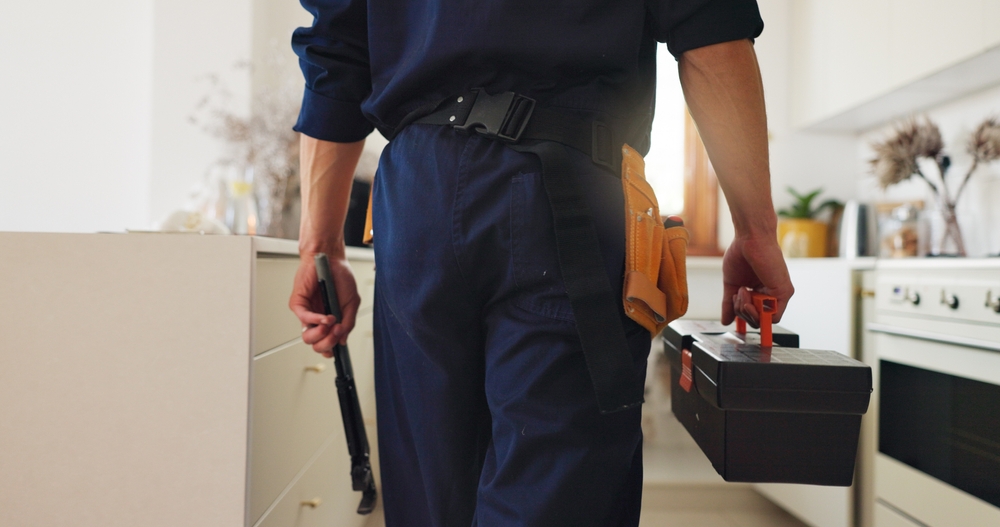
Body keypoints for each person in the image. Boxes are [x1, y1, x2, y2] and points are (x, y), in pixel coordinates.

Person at [288, 1, 794, 525]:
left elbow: (338, 51)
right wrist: (754, 231)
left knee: (431, 497)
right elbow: (710, 30)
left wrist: (320, 248)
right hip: (563, 194)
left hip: (419, 198)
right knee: (557, 493)